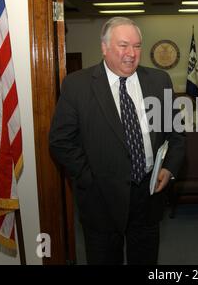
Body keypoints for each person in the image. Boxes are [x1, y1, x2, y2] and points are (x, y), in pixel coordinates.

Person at [49, 17, 185, 265]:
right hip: (100, 200)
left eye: (137, 46)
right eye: (123, 45)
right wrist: (89, 178)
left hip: (148, 195)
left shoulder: (159, 81)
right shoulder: (77, 85)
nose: (131, 54)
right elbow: (60, 141)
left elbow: (176, 135)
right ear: (104, 47)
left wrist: (169, 168)